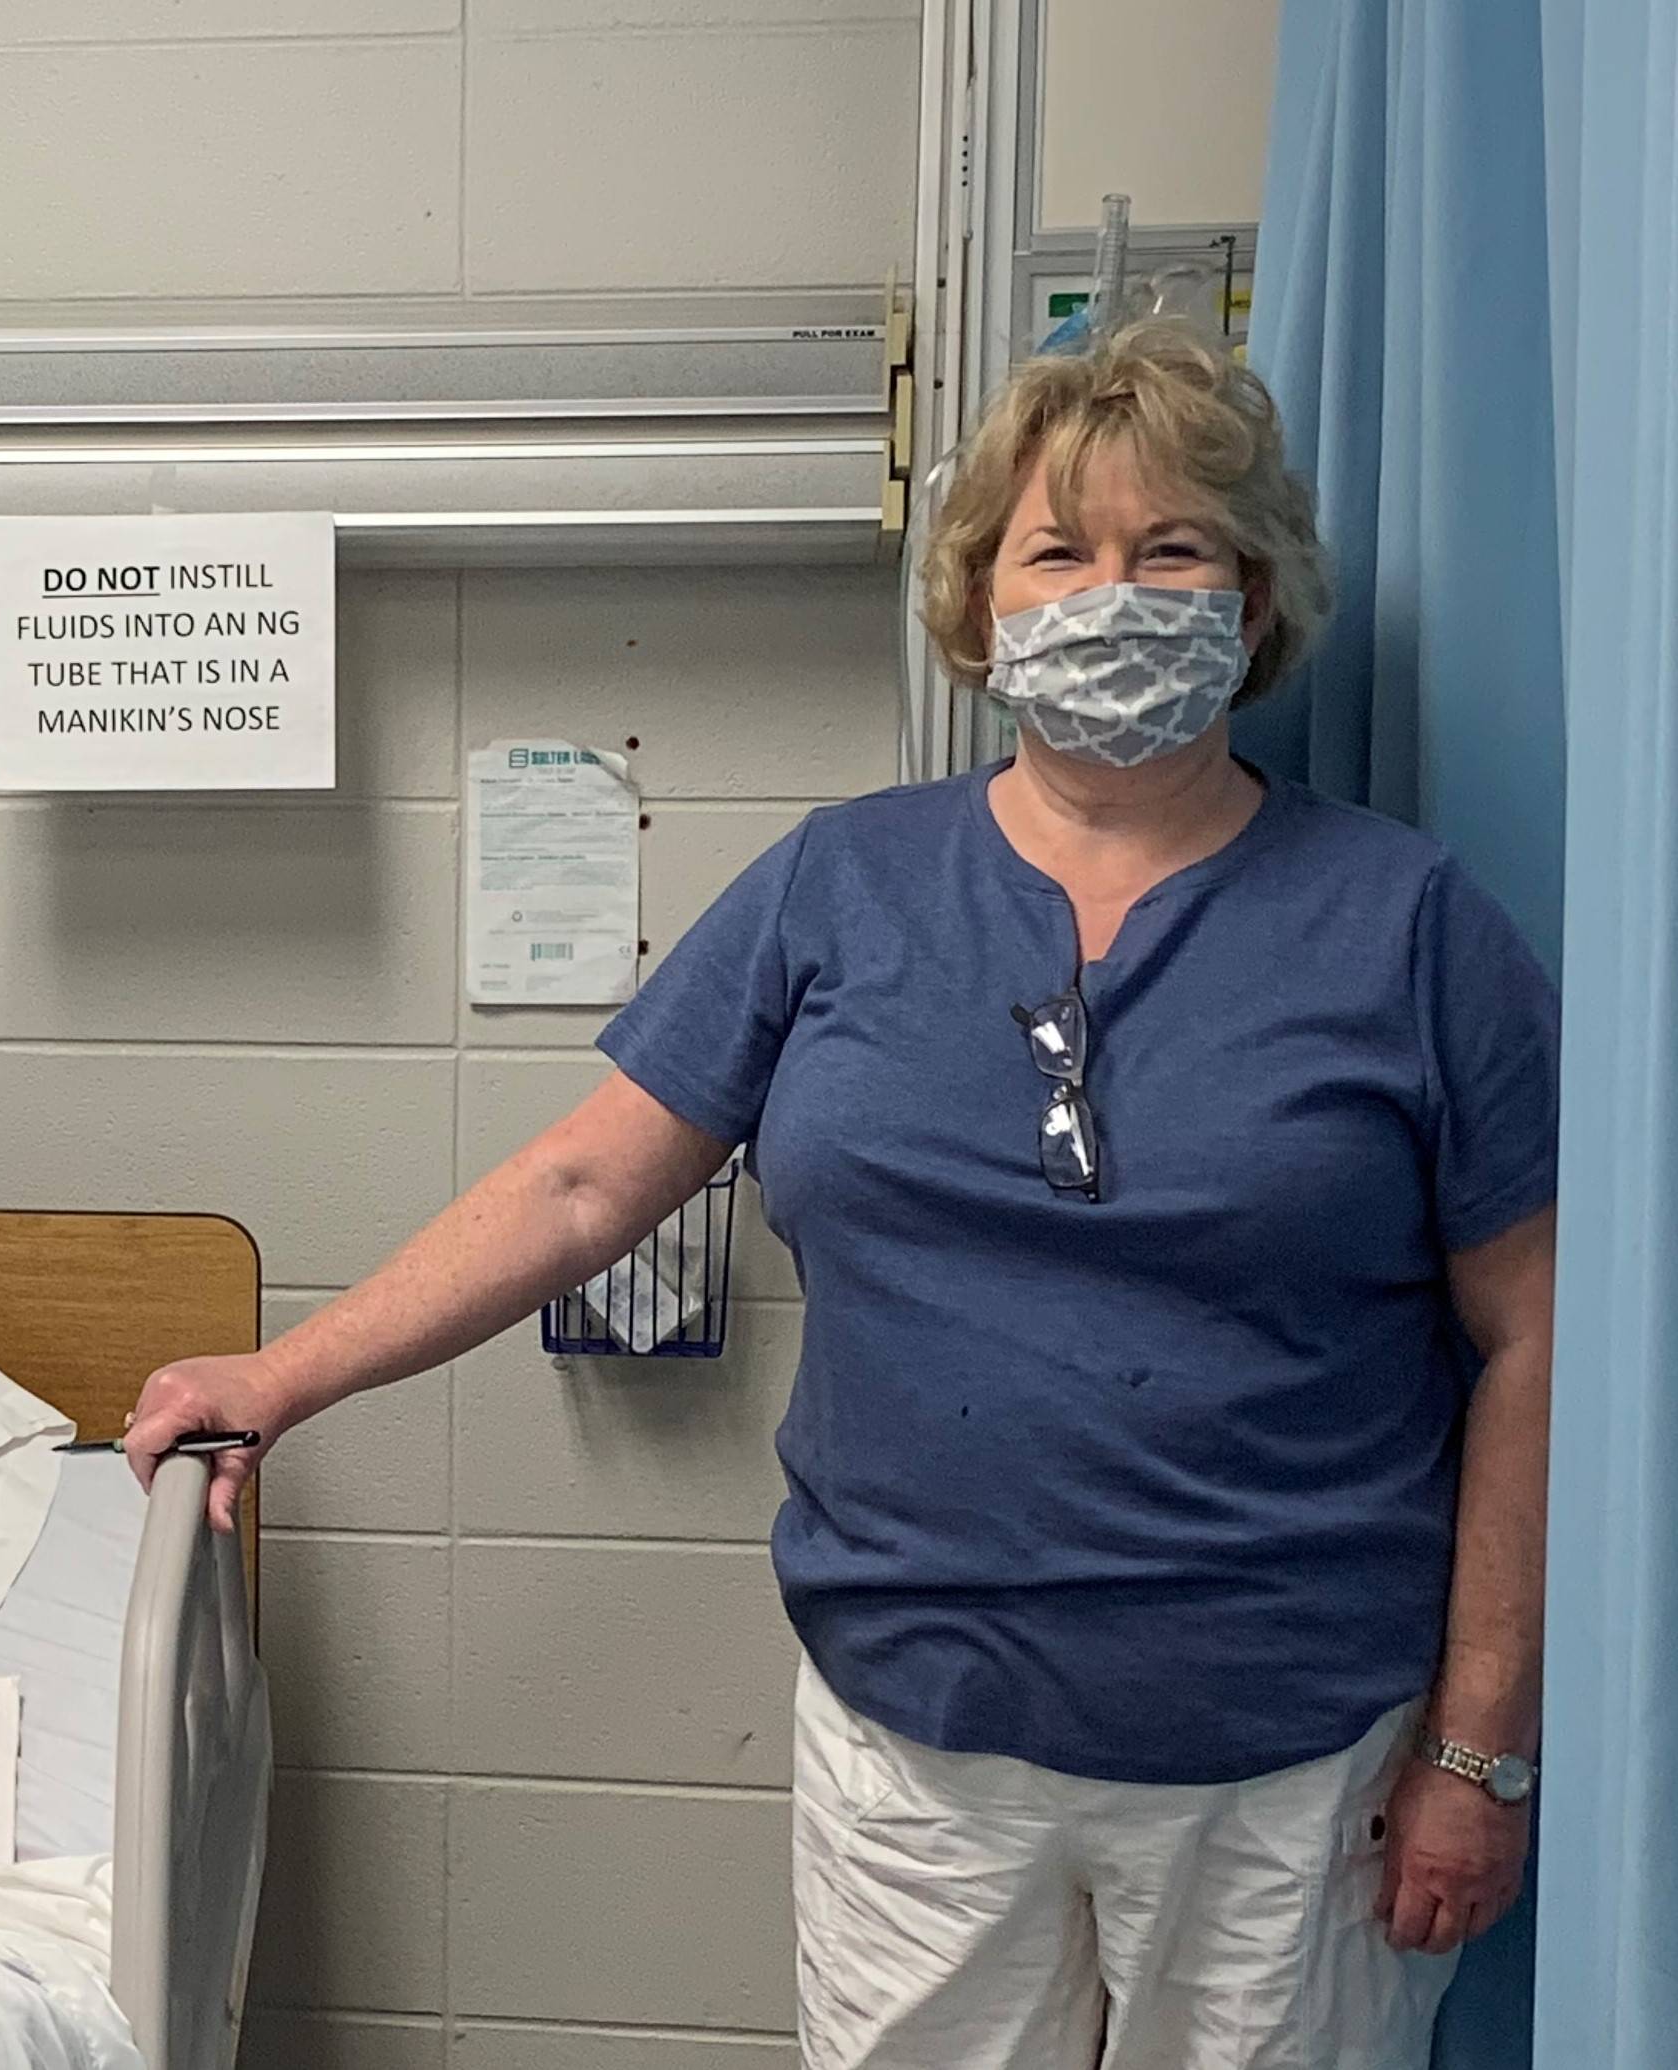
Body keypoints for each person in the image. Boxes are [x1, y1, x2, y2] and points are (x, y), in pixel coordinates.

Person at [126, 323, 1555, 2070]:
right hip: (919, 1744)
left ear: (1249, 602)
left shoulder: (1402, 922)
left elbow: (1533, 1333)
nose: (1111, 593)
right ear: (977, 607)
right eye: (1058, 550)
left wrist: (1477, 1746)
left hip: (1290, 1763)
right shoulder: (841, 887)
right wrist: (283, 1377)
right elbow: (581, 1184)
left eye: (1166, 548)